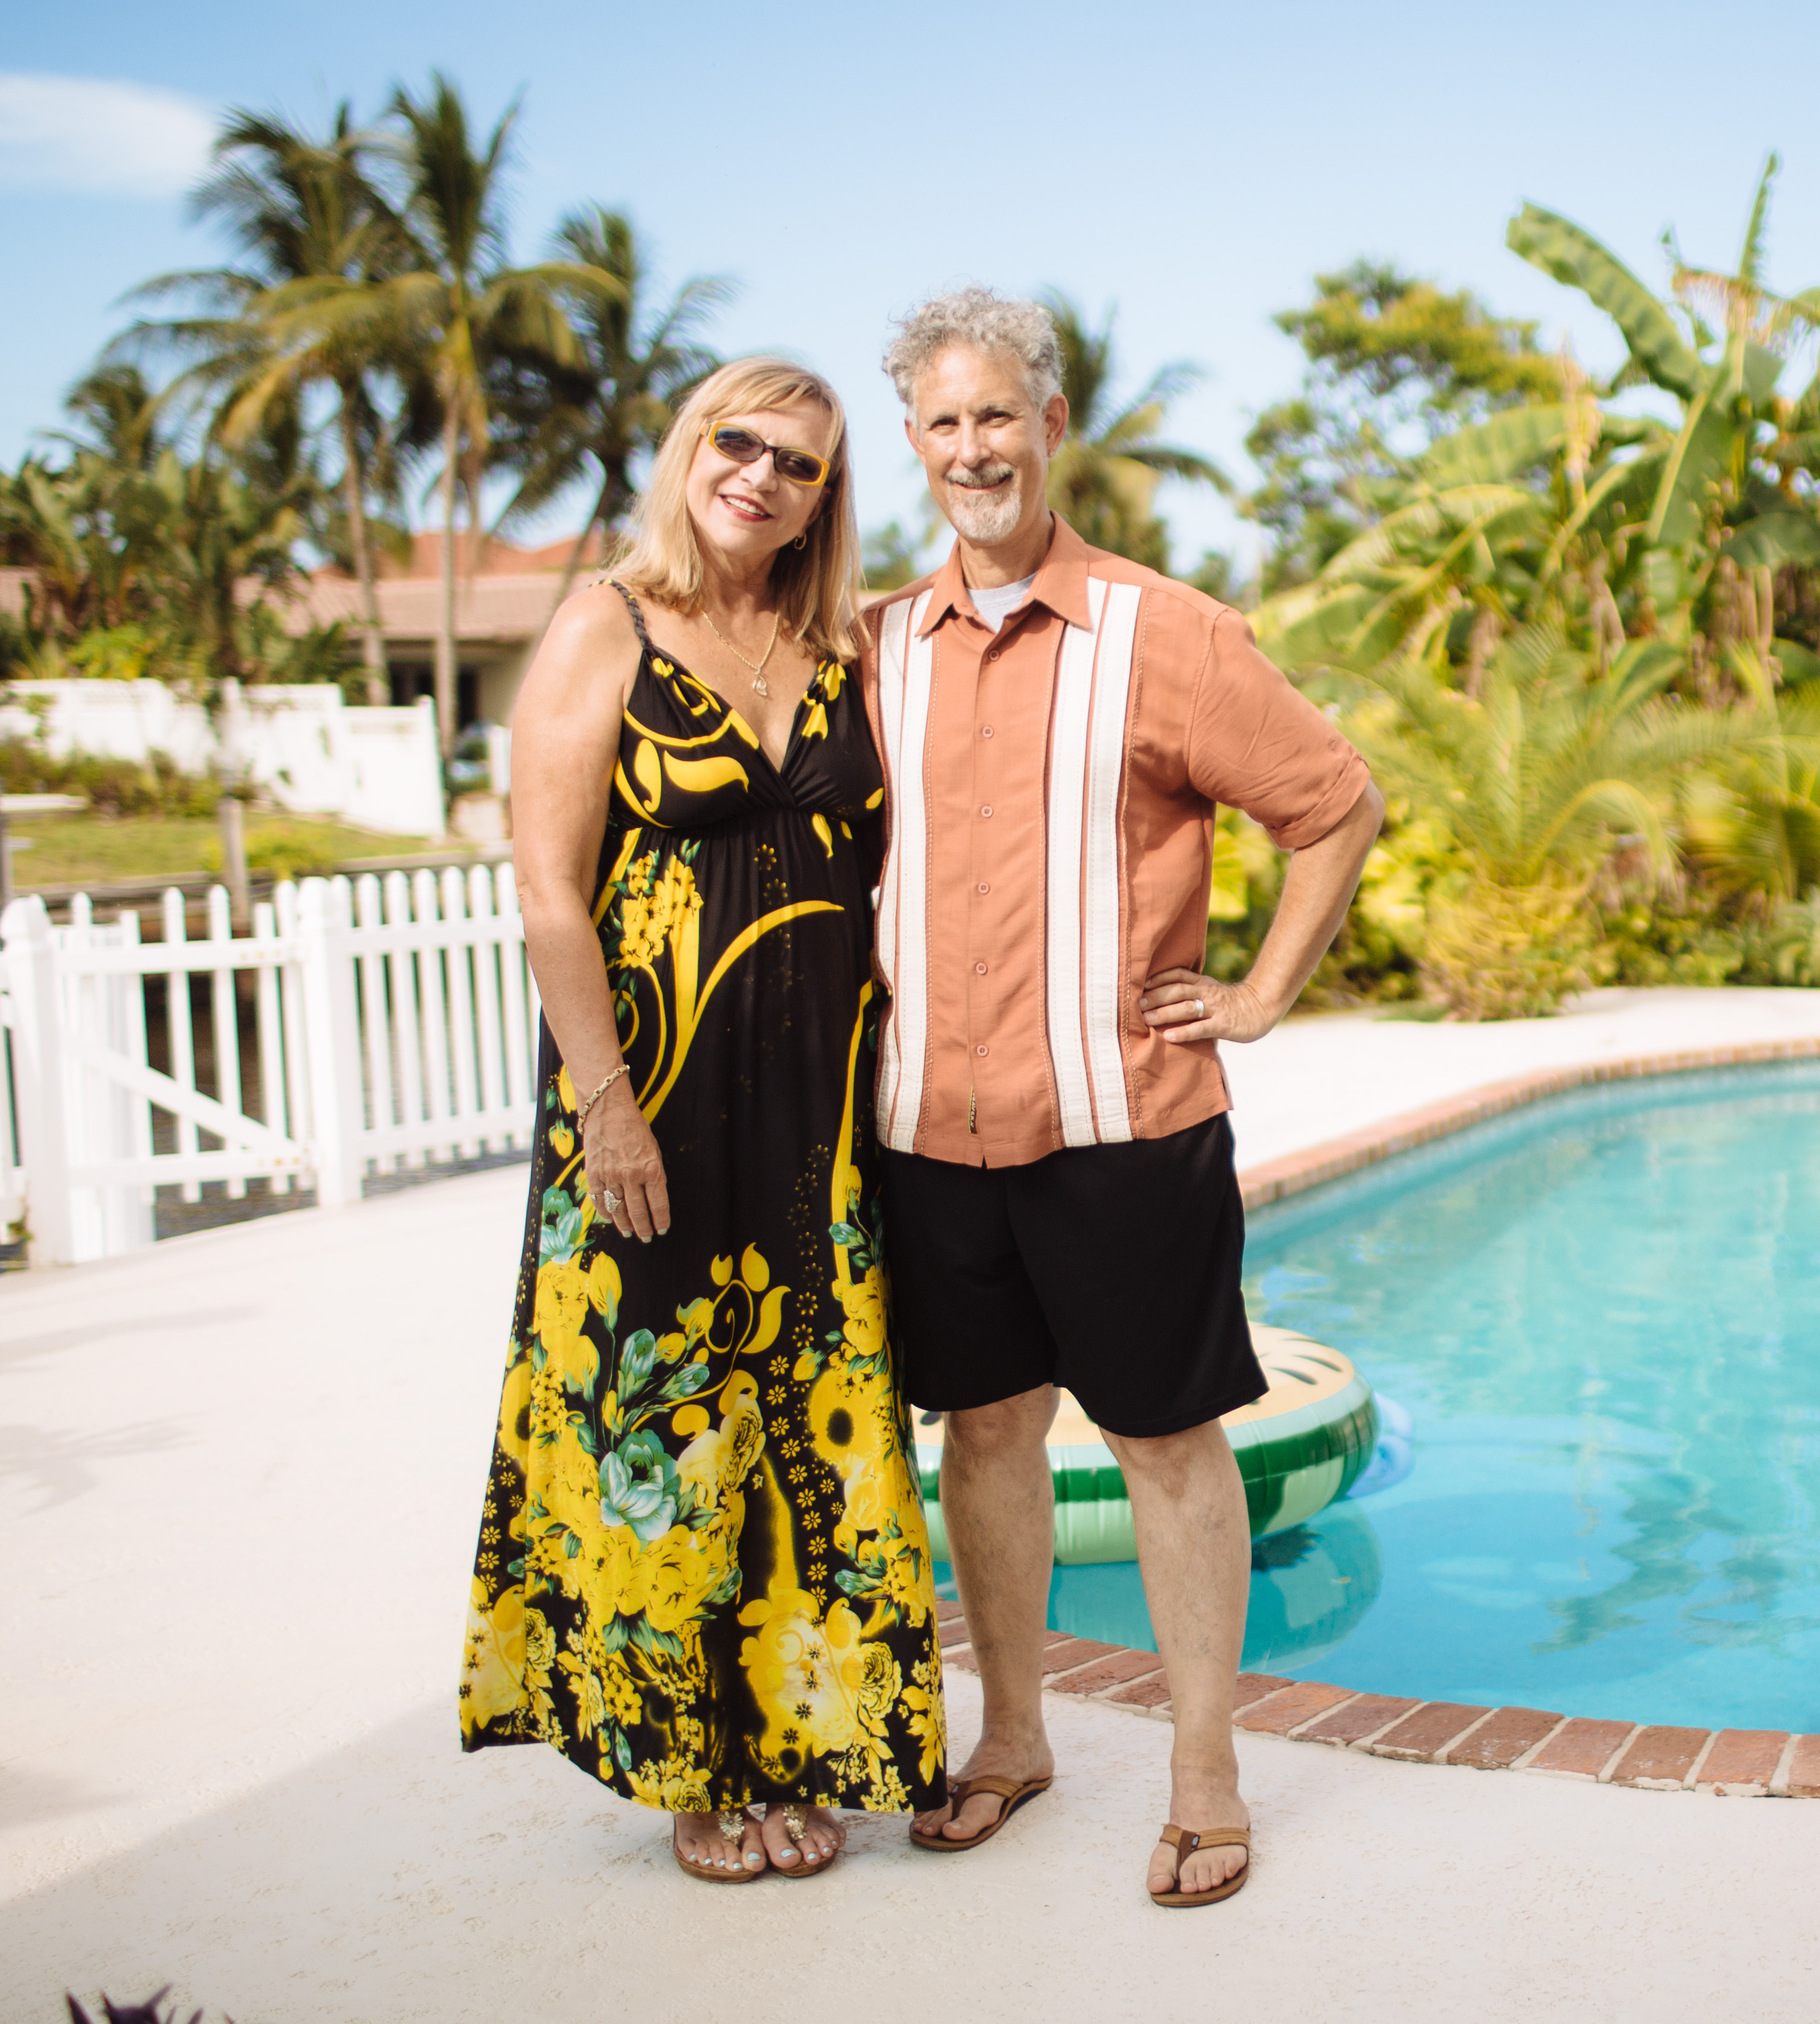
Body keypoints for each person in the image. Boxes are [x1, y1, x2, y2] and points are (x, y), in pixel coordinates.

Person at [870, 289, 1384, 1909]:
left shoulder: (1167, 635)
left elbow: (1334, 802)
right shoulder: (873, 643)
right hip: (929, 1138)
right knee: (985, 1438)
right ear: (915, 443)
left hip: (1127, 1132)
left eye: (995, 417)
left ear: (1050, 425)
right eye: (942, 423)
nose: (972, 449)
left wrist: (1262, 994)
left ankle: (1203, 1776)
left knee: (1167, 1446)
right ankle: (1012, 1740)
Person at [458, 357, 946, 1883]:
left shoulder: (831, 643)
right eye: (737, 442)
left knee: (810, 1415)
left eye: (797, 461)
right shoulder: (607, 621)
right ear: (689, 453)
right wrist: (603, 1105)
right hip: (649, 1103)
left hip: (816, 1118)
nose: (761, 475)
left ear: (824, 496)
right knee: (670, 1425)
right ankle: (692, 1770)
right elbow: (547, 891)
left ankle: (800, 1743)